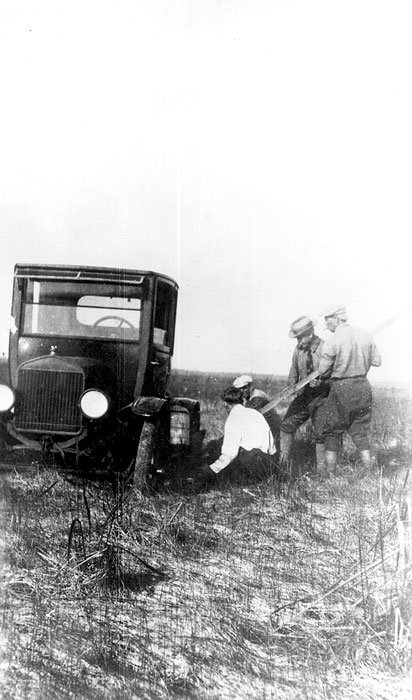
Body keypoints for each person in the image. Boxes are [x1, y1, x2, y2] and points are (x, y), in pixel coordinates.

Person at [315, 303, 382, 471]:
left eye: (327, 320)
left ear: (337, 319)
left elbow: (323, 372)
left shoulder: (332, 340)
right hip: (363, 387)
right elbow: (377, 361)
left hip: (341, 388)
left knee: (332, 430)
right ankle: (369, 471)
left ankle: (329, 473)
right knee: (360, 431)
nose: (326, 324)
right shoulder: (366, 335)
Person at [279, 316, 329, 473]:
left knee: (321, 433)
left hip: (322, 397)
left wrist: (322, 383)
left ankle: (322, 470)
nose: (299, 341)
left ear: (311, 333)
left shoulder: (325, 348)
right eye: (297, 338)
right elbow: (293, 370)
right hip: (303, 396)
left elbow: (336, 375)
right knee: (287, 424)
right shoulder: (298, 350)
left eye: (301, 337)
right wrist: (291, 385)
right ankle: (282, 464)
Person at [199, 386, 276, 482]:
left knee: (214, 446)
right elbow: (272, 448)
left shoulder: (234, 417)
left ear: (225, 404)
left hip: (251, 466)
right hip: (268, 463)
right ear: (242, 401)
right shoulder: (255, 413)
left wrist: (211, 470)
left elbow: (230, 454)